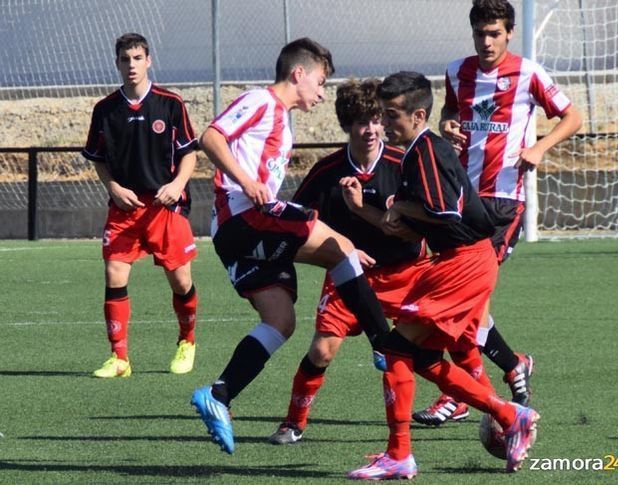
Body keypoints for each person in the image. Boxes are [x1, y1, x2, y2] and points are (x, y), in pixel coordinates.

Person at [189, 38, 391, 455]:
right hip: (245, 217)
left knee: (281, 322)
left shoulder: (282, 120)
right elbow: (210, 137)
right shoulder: (262, 101)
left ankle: (219, 395)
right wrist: (246, 181)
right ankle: (384, 344)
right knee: (341, 247)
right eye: (319, 81)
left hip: (240, 236)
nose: (321, 92)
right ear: (298, 73)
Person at [348, 71, 540, 480]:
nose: (384, 123)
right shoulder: (418, 152)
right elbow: (424, 219)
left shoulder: (425, 151)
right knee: (420, 355)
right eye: (382, 114)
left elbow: (444, 210)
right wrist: (376, 212)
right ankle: (508, 413)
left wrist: (401, 207)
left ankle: (400, 454)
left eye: (392, 114)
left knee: (396, 348)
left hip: (464, 262)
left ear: (419, 115)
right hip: (458, 260)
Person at [412, 0, 583, 424]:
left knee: (465, 299)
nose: (486, 41)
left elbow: (573, 116)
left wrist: (541, 146)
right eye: (479, 34)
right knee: (467, 303)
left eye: (494, 33)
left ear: (509, 33)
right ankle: (509, 365)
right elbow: (452, 112)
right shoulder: (457, 71)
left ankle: (465, 393)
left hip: (503, 202)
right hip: (459, 199)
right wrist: (449, 124)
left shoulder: (529, 73)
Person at [268, 78, 428, 445]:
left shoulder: (403, 164)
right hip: (349, 275)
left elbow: (424, 222)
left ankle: (468, 403)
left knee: (429, 349)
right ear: (346, 125)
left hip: (406, 272)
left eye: (375, 120)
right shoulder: (327, 172)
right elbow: (298, 222)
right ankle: (293, 422)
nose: (370, 129)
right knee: (322, 349)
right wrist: (343, 249)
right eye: (360, 121)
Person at [82, 33, 199, 378]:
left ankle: (187, 341)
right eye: (124, 59)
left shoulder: (170, 103)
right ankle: (120, 358)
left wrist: (177, 186)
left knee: (180, 282)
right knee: (114, 274)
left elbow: (189, 153)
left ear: (148, 60)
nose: (131, 65)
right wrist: (113, 186)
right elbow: (98, 159)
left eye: (137, 58)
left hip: (165, 208)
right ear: (116, 63)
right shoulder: (104, 110)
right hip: (125, 208)